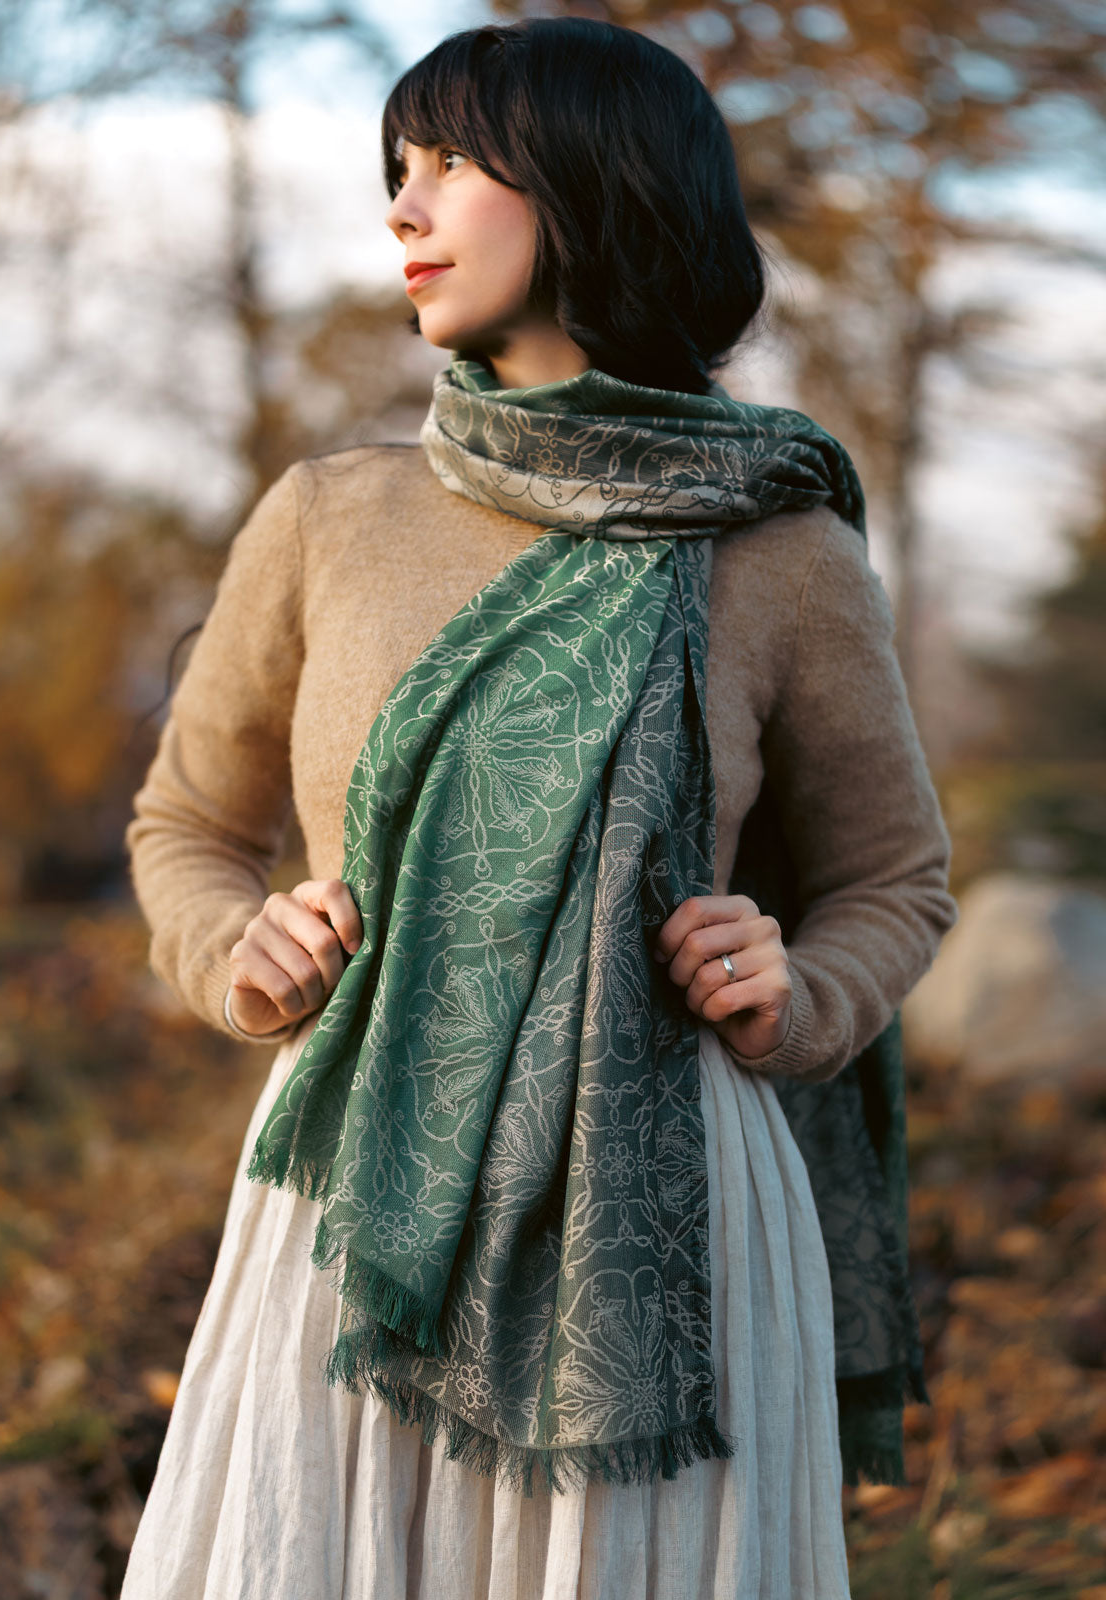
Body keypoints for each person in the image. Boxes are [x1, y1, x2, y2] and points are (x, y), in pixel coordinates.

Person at [119, 18, 958, 1600]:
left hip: (670, 1226)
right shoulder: (329, 518)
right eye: (397, 170)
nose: (404, 211)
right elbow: (184, 827)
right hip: (351, 1200)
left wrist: (801, 987)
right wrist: (242, 944)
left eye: (451, 164)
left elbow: (896, 880)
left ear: (591, 185)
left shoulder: (777, 548)